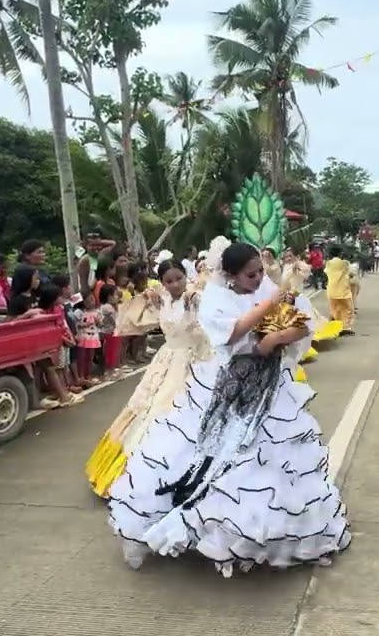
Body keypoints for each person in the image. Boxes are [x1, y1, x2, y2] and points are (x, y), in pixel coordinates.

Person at [108, 239, 350, 576]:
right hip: (231, 384)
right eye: (251, 275)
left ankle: (269, 534)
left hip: (272, 384)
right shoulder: (215, 299)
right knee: (218, 456)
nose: (258, 278)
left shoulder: (265, 287)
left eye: (260, 272)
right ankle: (207, 527)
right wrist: (268, 310)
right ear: (232, 276)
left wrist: (277, 337)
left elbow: (299, 322)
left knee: (268, 462)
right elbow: (233, 334)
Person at [85, 260, 213, 497]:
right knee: (146, 408)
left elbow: (213, 323)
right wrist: (147, 297)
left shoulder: (196, 297)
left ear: (187, 277)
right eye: (169, 281)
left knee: (179, 412)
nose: (175, 284)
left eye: (179, 278)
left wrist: (196, 296)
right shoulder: (160, 298)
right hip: (166, 361)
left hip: (192, 362)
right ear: (162, 282)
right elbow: (129, 320)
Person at [325, 246, 355, 335]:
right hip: (343, 290)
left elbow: (326, 273)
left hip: (331, 290)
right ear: (340, 254)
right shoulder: (345, 263)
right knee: (347, 309)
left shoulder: (328, 263)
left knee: (335, 309)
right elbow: (352, 274)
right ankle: (346, 327)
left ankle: (337, 327)